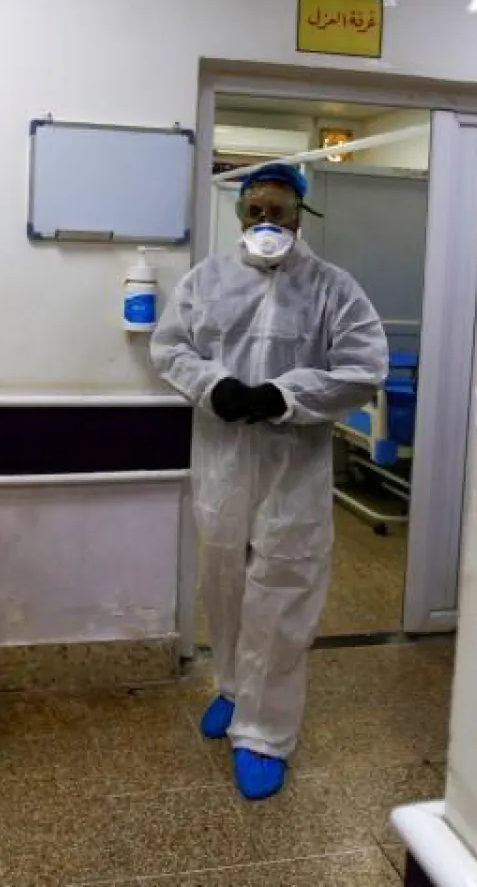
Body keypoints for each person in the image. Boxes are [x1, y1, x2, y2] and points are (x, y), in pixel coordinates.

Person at [150, 161, 388, 800]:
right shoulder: (207, 280)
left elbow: (365, 366)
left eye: (277, 211)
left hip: (293, 467)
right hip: (224, 461)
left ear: (299, 214)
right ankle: (230, 687)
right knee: (224, 582)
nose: (265, 223)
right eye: (254, 211)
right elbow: (169, 349)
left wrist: (283, 397)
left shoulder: (333, 288)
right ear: (239, 215)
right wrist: (215, 386)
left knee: (282, 594)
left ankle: (264, 734)